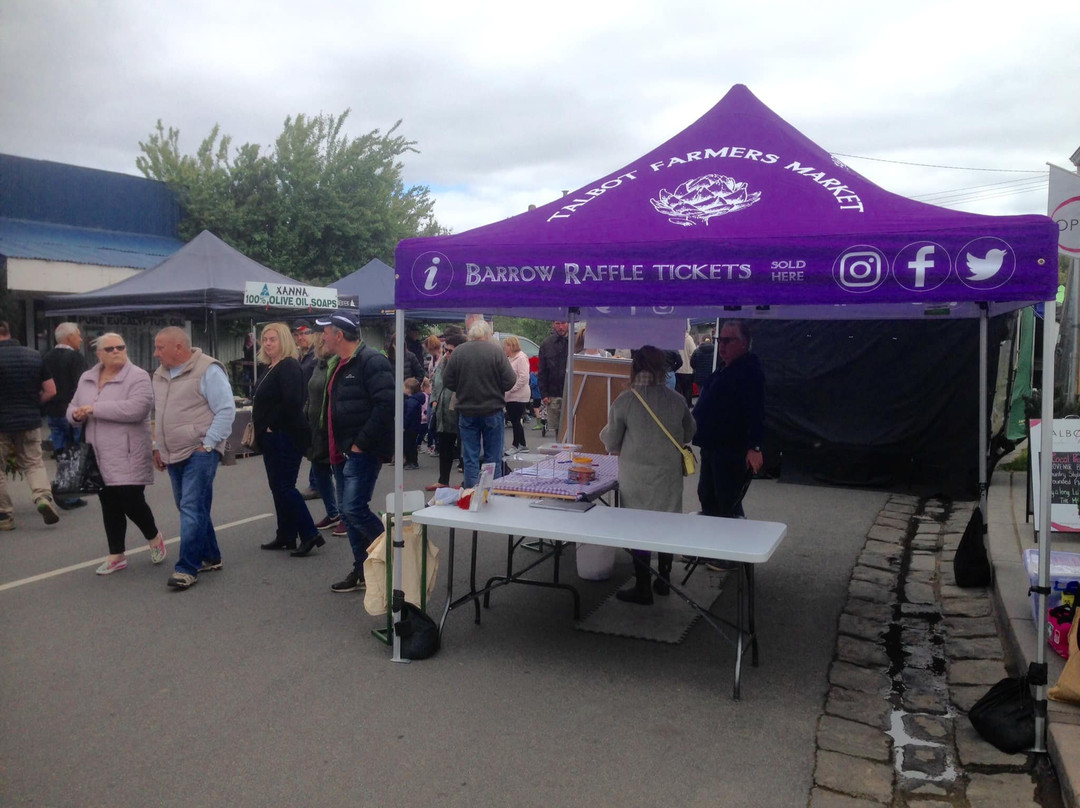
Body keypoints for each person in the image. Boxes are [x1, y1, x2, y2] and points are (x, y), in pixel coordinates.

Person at [601, 346, 696, 605]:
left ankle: (643, 586)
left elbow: (611, 441)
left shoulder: (625, 400)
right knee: (666, 524)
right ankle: (663, 580)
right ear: (663, 369)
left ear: (635, 367)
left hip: (636, 477)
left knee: (638, 528)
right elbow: (689, 433)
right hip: (668, 474)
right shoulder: (676, 399)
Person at [68, 332, 166, 574]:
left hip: (128, 451)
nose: (116, 352)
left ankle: (154, 537)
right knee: (109, 503)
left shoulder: (138, 376)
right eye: (109, 349)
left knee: (132, 501)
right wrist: (76, 415)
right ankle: (116, 555)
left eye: (120, 347)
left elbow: (138, 408)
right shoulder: (87, 377)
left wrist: (94, 409)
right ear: (99, 354)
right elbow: (72, 406)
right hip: (97, 452)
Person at [316, 309, 395, 594]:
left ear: (339, 334)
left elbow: (386, 405)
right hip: (341, 450)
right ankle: (362, 569)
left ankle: (395, 553)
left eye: (325, 331)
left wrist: (360, 443)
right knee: (347, 515)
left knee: (353, 508)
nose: (322, 336)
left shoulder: (371, 361)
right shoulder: (338, 362)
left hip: (362, 450)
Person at [151, 326, 236, 590]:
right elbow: (159, 414)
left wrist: (209, 444)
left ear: (179, 347)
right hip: (172, 451)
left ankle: (187, 567)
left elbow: (226, 409)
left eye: (160, 347)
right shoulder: (160, 374)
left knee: (190, 506)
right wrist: (157, 446)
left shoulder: (207, 369)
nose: (155, 354)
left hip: (200, 451)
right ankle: (211, 555)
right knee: (191, 506)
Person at [692, 320, 765, 569]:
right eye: (719, 341)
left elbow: (756, 411)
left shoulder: (749, 371)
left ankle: (731, 554)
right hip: (713, 445)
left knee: (728, 500)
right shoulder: (725, 368)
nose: (721, 346)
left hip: (731, 448)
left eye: (727, 341)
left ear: (743, 343)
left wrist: (754, 447)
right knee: (707, 495)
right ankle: (713, 547)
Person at [251, 323, 323, 557]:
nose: (268, 343)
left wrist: (272, 424)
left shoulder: (289, 366)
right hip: (272, 437)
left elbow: (292, 401)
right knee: (277, 487)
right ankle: (286, 534)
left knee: (285, 487)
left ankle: (309, 533)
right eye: (265, 339)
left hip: (285, 435)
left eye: (273, 339)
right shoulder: (270, 366)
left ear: (284, 341)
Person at [0, 320, 60, 530]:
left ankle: (4, 516)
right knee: (34, 463)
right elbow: (51, 390)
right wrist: (34, 405)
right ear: (9, 332)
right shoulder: (33, 355)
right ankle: (43, 498)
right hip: (29, 419)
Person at [443, 320, 516, 487]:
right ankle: (493, 495)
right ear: (487, 335)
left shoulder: (458, 352)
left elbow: (447, 380)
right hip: (492, 410)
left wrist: (461, 388)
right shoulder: (496, 351)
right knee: (494, 458)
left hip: (467, 412)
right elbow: (510, 381)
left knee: (470, 458)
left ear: (471, 335)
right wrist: (496, 388)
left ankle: (470, 494)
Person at [42, 322, 87, 509]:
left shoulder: (46, 357)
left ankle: (62, 486)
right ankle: (68, 494)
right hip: (71, 412)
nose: (81, 339)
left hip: (53, 412)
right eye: (78, 335)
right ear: (69, 338)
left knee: (61, 452)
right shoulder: (75, 358)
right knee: (75, 452)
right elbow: (82, 385)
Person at [304, 331, 342, 533]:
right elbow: (311, 392)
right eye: (321, 340)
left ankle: (345, 516)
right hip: (315, 428)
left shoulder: (337, 364)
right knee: (319, 471)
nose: (322, 343)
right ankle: (333, 512)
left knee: (338, 471)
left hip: (331, 428)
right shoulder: (318, 365)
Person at [424, 332, 465, 491]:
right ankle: (443, 480)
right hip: (442, 410)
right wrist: (434, 398)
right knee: (445, 445)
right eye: (445, 349)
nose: (447, 353)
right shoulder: (443, 363)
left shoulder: (464, 363)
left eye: (451, 350)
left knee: (465, 448)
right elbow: (435, 381)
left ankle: (467, 482)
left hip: (461, 410)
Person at [537, 320, 569, 439]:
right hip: (553, 393)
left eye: (563, 323)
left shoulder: (576, 343)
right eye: (557, 323)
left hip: (572, 392)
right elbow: (542, 371)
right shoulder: (546, 344)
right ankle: (560, 452)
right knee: (557, 429)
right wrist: (544, 394)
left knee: (572, 425)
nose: (561, 327)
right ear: (553, 324)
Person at [502, 336, 531, 453]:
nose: (504, 349)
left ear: (511, 346)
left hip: (519, 395)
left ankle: (516, 445)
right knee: (515, 419)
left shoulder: (521, 358)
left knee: (515, 419)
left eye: (505, 347)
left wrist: (512, 389)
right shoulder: (510, 359)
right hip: (510, 395)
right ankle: (522, 444)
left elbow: (524, 377)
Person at [403, 377, 424, 470]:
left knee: (409, 444)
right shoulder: (412, 400)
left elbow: (409, 414)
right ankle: (409, 460)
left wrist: (404, 424)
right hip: (413, 426)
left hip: (411, 426)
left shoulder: (411, 401)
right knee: (409, 443)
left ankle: (412, 461)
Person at [675, 331, 697, 406]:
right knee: (687, 389)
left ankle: (679, 406)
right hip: (688, 370)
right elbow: (694, 353)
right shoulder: (689, 339)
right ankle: (687, 406)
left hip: (677, 370)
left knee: (678, 390)